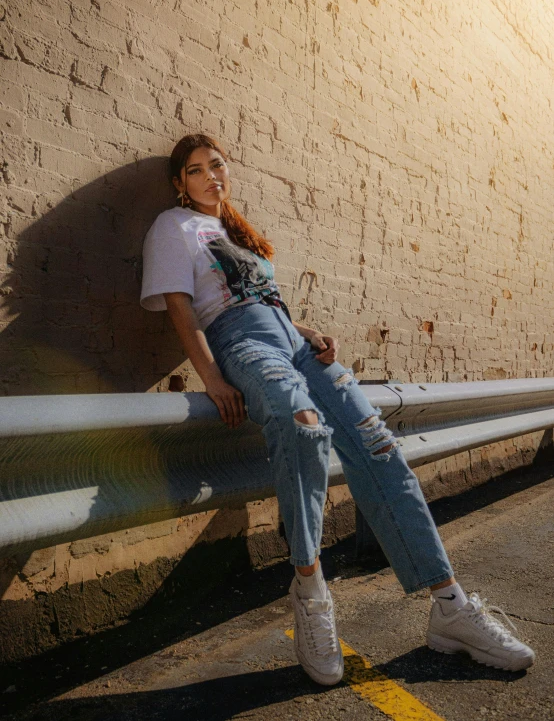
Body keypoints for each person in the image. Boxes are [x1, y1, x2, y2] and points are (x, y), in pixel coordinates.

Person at [140, 133, 535, 685]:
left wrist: (308, 330)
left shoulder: (235, 231)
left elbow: (263, 299)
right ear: (180, 183)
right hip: (243, 346)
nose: (211, 177)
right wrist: (210, 377)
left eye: (218, 165)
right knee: (302, 426)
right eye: (196, 170)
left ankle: (450, 607)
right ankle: (310, 588)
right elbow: (183, 309)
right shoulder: (171, 226)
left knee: (376, 441)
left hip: (293, 344)